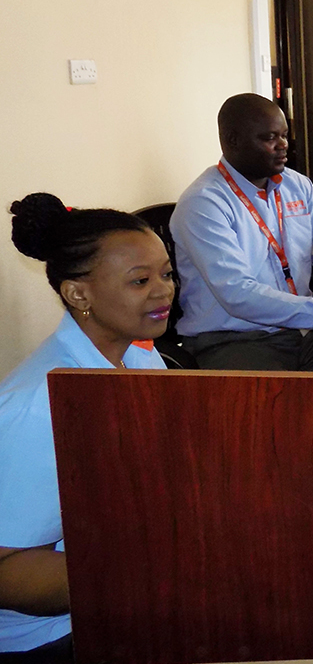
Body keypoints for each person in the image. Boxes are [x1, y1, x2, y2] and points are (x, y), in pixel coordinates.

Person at [0, 194, 171, 658]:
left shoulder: (136, 353)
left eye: (166, 273)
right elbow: (6, 571)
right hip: (52, 637)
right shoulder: (38, 404)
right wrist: (155, 570)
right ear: (78, 294)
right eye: (141, 280)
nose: (163, 290)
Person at [170, 93, 313, 370]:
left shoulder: (297, 185)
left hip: (302, 331)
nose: (283, 145)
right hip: (235, 339)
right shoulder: (204, 202)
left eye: (284, 135)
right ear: (233, 140)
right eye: (270, 137)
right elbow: (239, 295)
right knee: (276, 404)